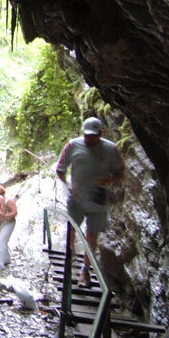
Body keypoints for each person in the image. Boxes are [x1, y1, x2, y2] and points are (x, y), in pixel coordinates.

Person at [56, 116, 125, 287]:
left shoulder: (111, 149)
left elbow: (121, 172)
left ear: (101, 132)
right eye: (87, 135)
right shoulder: (72, 145)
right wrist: (67, 185)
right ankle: (69, 256)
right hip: (77, 197)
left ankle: (85, 270)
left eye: (94, 135)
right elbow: (60, 169)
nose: (90, 138)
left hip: (98, 197)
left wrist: (107, 180)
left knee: (92, 234)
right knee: (72, 227)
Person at [0, 185, 17, 270]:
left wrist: (4, 216)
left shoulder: (9, 201)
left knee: (1, 242)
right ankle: (7, 259)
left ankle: (0, 264)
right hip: (1, 223)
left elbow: (15, 213)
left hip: (9, 223)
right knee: (3, 241)